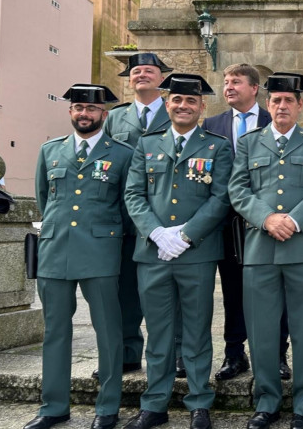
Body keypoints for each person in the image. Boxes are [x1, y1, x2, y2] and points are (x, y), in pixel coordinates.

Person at [123, 74, 233, 429]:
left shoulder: (217, 146)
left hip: (196, 253)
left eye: (191, 102)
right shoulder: (147, 144)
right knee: (158, 332)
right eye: (176, 100)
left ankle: (199, 402)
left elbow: (221, 199)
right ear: (167, 104)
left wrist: (185, 235)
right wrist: (156, 232)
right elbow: (134, 195)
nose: (183, 106)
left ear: (202, 107)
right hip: (153, 254)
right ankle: (154, 404)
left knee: (198, 331)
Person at [229, 72, 303, 429]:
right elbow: (238, 190)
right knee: (261, 330)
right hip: (260, 249)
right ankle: (267, 401)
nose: (282, 106)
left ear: (300, 105)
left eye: (289, 100)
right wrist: (266, 218)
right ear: (267, 104)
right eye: (276, 100)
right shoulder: (249, 143)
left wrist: (293, 220)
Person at [26, 84, 131, 429]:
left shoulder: (123, 153)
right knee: (56, 331)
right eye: (77, 108)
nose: (83, 114)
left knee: (108, 331)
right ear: (70, 112)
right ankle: (53, 407)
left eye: (91, 109)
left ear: (104, 114)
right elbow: (45, 198)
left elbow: (127, 205)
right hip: (55, 250)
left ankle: (107, 408)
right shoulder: (50, 150)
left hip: (101, 249)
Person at [202, 63, 292, 382]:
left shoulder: (275, 119)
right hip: (227, 225)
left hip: (268, 223)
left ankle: (277, 355)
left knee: (274, 292)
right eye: (226, 82)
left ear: (255, 88)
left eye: (236, 82)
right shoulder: (211, 125)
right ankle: (234, 354)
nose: (228, 86)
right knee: (232, 291)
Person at [101, 52, 175, 378]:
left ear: (162, 78)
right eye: (135, 71)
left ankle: (173, 355)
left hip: (163, 218)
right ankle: (128, 352)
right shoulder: (116, 119)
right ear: (129, 79)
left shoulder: (177, 113)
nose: (141, 74)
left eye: (149, 70)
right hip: (122, 219)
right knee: (124, 290)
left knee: (168, 291)